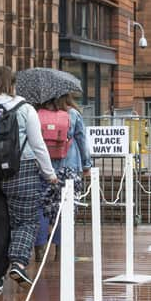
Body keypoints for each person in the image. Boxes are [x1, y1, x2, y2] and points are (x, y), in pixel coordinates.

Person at [0, 66, 57, 294]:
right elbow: (38, 145)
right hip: (22, 172)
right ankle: (18, 263)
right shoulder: (25, 109)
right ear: (12, 84)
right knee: (26, 221)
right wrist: (49, 174)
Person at [34, 94, 91, 261]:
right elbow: (82, 140)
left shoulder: (37, 114)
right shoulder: (73, 114)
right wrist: (87, 165)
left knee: (41, 208)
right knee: (65, 209)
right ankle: (60, 251)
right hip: (69, 168)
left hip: (43, 168)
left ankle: (40, 248)